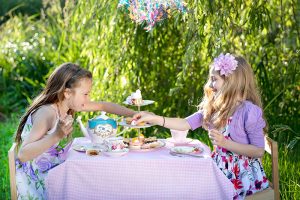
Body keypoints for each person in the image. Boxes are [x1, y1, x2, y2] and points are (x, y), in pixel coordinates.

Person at [133, 53, 269, 199]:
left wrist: (225, 143)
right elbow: (184, 123)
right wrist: (155, 119)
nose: (210, 85)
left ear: (231, 82)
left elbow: (258, 151)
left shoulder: (249, 112)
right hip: (218, 170)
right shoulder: (215, 108)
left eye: (214, 79)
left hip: (242, 179)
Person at [15, 62, 136, 199]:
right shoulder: (47, 113)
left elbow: (103, 105)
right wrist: (56, 135)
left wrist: (135, 114)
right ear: (67, 93)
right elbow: (23, 154)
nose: (88, 99)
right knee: (89, 182)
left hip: (50, 168)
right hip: (37, 181)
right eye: (85, 94)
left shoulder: (66, 105)